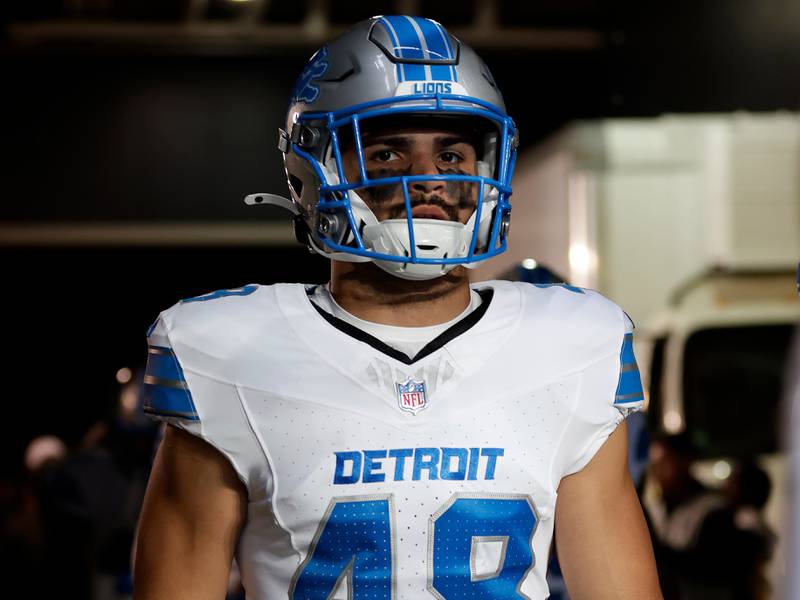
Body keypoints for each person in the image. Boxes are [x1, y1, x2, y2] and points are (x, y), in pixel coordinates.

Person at [133, 15, 661, 600]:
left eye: (454, 155)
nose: (429, 179)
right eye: (386, 153)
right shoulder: (229, 354)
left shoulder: (572, 346)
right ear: (314, 169)